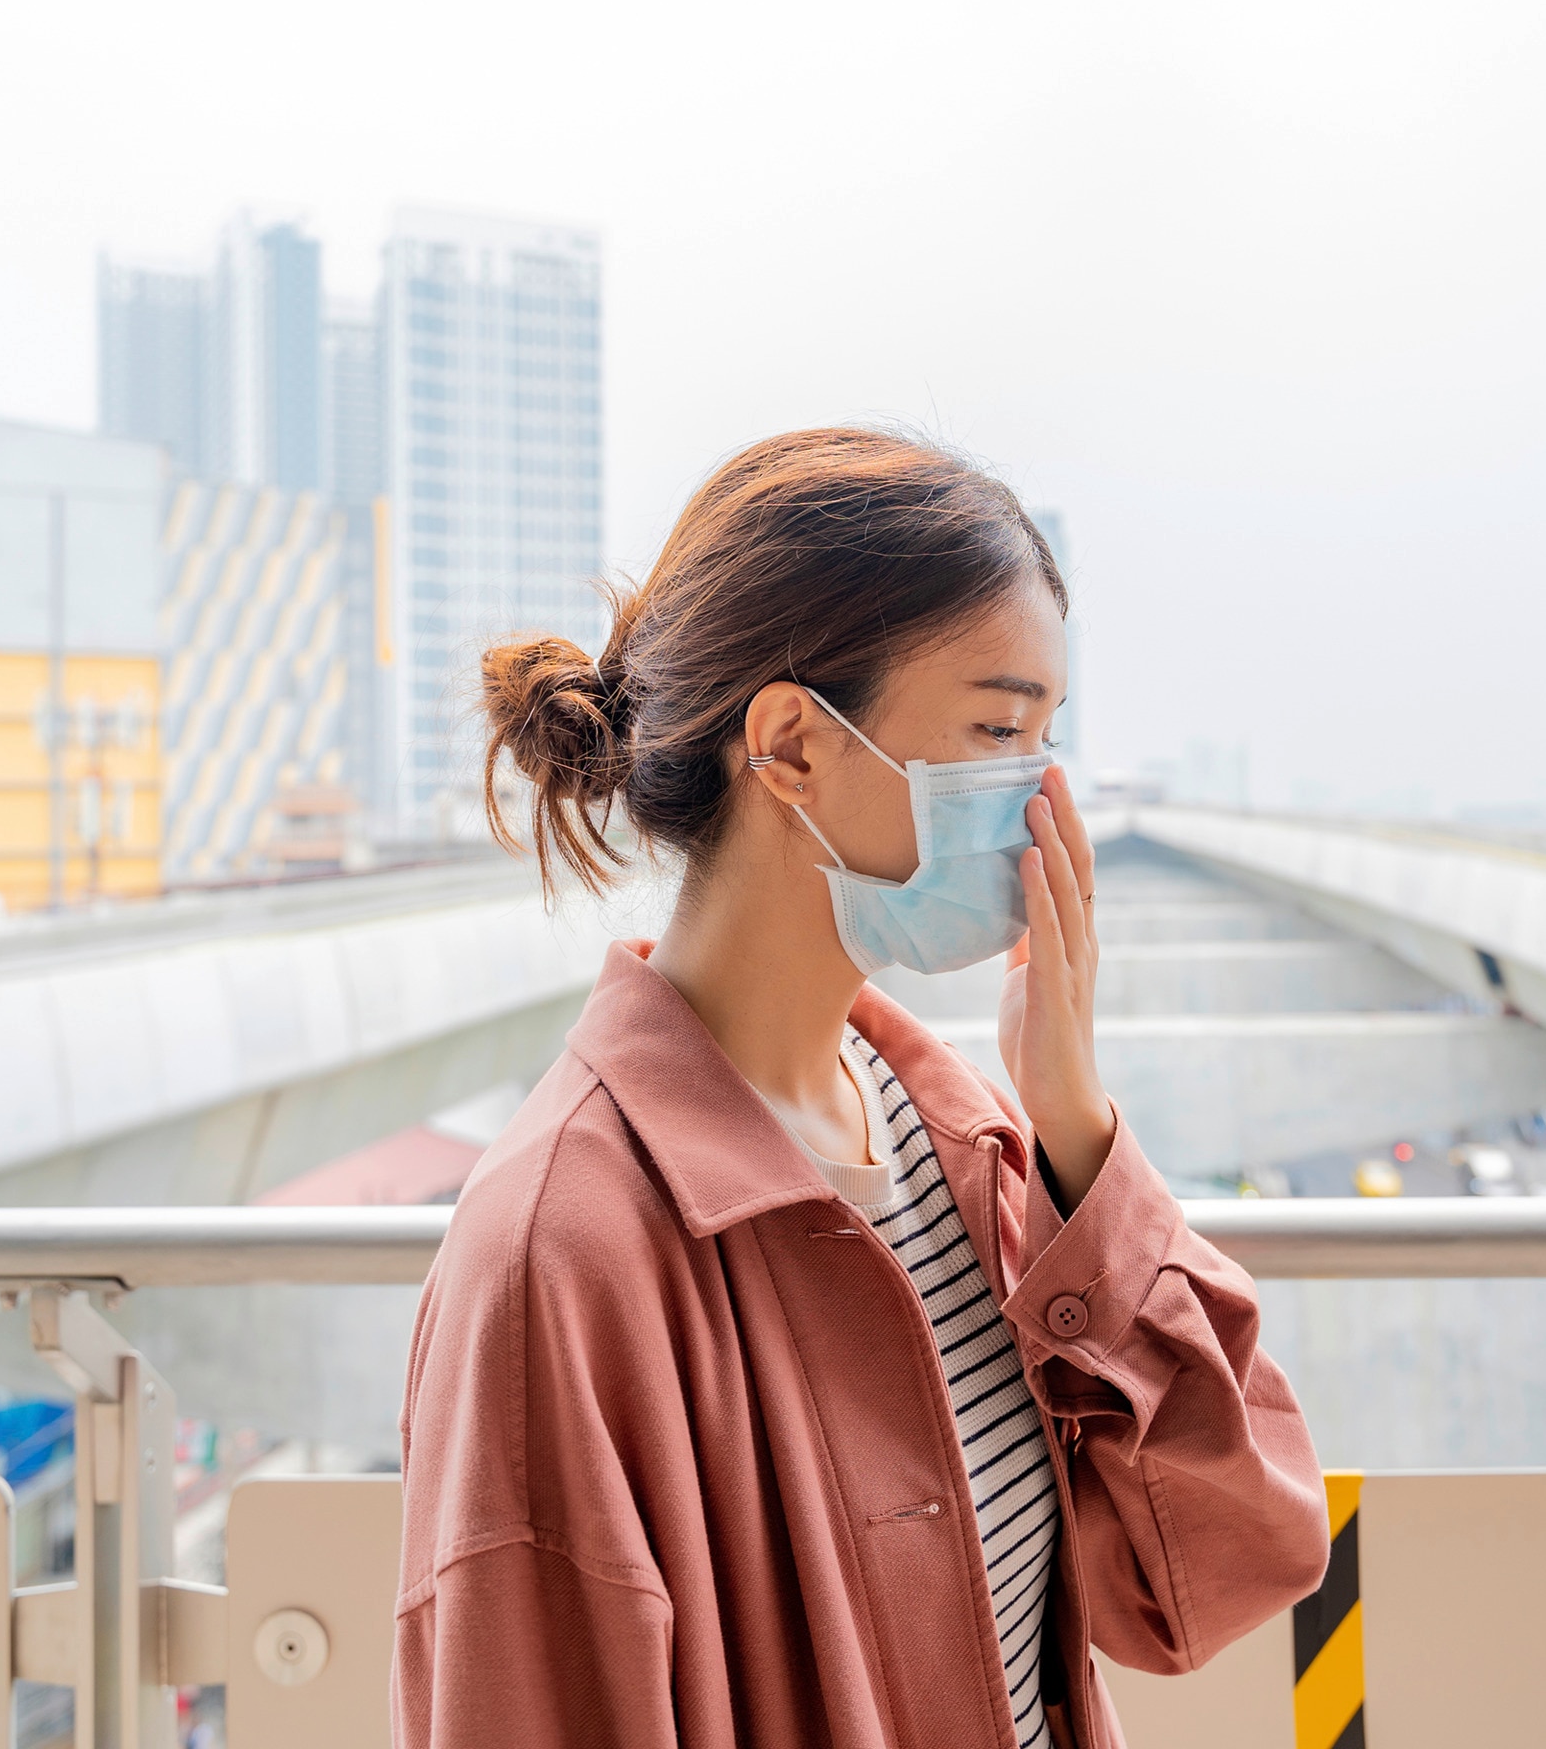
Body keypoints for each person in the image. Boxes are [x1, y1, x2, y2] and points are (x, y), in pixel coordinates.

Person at [393, 429, 1330, 1748]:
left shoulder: (966, 1147)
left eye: (1048, 736)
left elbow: (1226, 1566)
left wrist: (1076, 1142)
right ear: (788, 745)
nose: (1043, 794)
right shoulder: (561, 1250)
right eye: (998, 729)